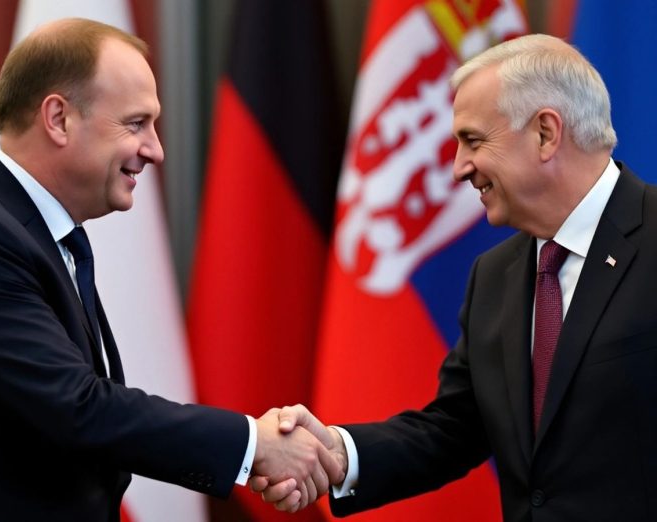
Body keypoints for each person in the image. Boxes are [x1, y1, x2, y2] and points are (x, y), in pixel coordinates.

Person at [253, 33, 657, 521]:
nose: (459, 167)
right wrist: (340, 454)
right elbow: (455, 427)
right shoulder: (495, 275)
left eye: (473, 140)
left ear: (546, 133)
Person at [0, 18, 342, 522]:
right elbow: (80, 408)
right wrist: (254, 445)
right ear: (58, 119)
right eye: (136, 123)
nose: (156, 150)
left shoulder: (36, 232)